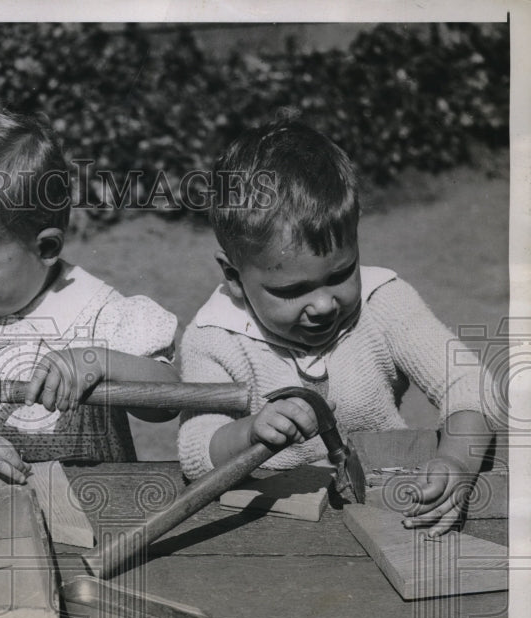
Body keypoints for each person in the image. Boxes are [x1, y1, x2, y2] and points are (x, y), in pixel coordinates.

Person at [177, 121, 496, 536]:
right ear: (234, 275)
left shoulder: (384, 303)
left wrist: (455, 461)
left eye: (342, 273)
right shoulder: (215, 336)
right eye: (293, 290)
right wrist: (248, 431)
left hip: (389, 509)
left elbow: (471, 385)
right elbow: (195, 448)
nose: (325, 304)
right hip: (269, 526)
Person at [0, 103, 180, 484]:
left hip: (95, 509)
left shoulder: (95, 314)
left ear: (46, 249)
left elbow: (169, 402)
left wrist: (102, 361)